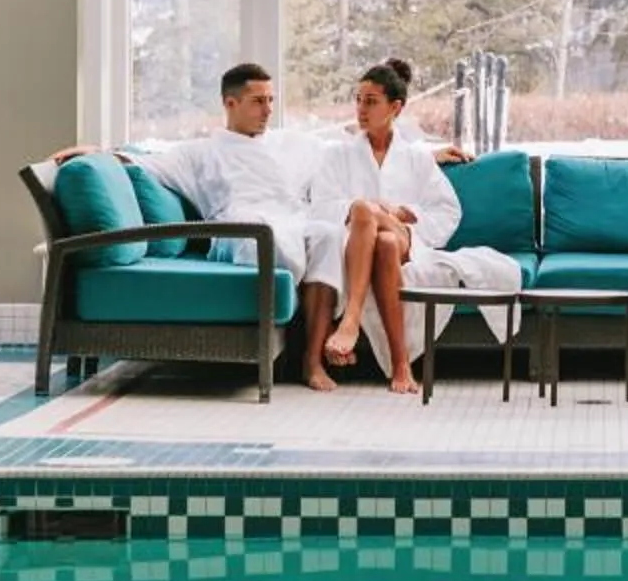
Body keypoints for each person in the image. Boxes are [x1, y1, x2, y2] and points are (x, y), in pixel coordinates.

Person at [46, 63, 347, 376]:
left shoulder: (284, 144)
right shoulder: (199, 153)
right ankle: (302, 337)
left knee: (328, 234)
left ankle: (312, 358)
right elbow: (143, 161)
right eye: (259, 101)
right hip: (240, 229)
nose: (268, 110)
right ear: (231, 104)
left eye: (271, 100)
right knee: (274, 237)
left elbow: (337, 152)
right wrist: (97, 152)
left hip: (291, 219)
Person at [308, 58, 524, 392]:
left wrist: (403, 214)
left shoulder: (416, 158)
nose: (361, 109)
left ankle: (350, 320)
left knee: (371, 216)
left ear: (395, 107)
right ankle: (401, 366)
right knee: (380, 237)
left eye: (371, 101)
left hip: (409, 241)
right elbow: (321, 206)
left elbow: (447, 211)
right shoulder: (338, 155)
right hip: (363, 244)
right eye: (358, 100)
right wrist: (382, 211)